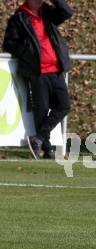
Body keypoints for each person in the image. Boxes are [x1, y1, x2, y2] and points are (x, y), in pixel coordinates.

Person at [3, 0, 73, 159]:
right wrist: (28, 51)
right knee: (41, 110)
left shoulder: (47, 12)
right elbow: (9, 44)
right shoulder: (19, 17)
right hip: (37, 72)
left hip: (56, 70)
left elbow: (67, 12)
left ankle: (39, 138)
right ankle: (47, 150)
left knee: (64, 106)